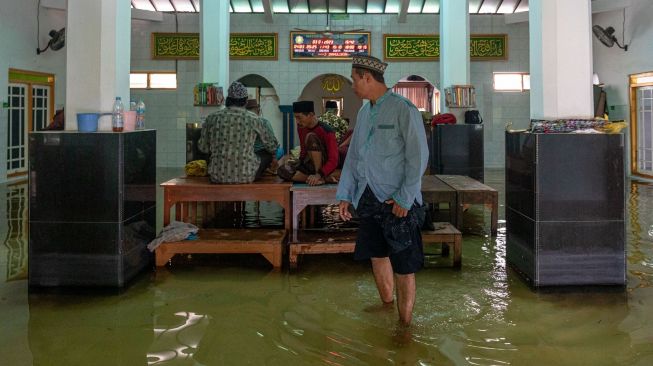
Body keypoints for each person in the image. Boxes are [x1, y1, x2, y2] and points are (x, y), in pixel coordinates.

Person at [336, 55, 429, 325]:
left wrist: (405, 197)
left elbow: (418, 157)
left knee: (403, 264)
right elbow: (354, 156)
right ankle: (387, 305)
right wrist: (345, 193)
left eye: (354, 79)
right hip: (368, 195)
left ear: (367, 77)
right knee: (376, 253)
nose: (352, 85)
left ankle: (405, 324)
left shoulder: (403, 109)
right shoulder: (365, 112)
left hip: (396, 199)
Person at [198, 81, 279, 183]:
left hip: (216, 176)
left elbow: (203, 148)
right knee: (267, 154)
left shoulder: (211, 118)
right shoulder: (255, 119)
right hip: (247, 176)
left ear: (227, 100)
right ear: (245, 102)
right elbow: (272, 147)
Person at [277, 101, 340, 186]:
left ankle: (319, 176)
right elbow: (303, 150)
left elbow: (333, 160)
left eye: (299, 117)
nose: (297, 121)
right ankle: (323, 179)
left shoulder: (326, 131)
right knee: (282, 170)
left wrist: (319, 174)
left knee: (310, 137)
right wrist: (299, 164)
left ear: (310, 115)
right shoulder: (301, 127)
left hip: (323, 166)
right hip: (310, 164)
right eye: (295, 118)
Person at [245, 99, 278, 175]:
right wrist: (274, 158)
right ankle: (267, 168)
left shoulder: (242, 122)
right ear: (258, 110)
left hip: (246, 155)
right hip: (261, 154)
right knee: (280, 151)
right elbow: (272, 142)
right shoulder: (263, 121)